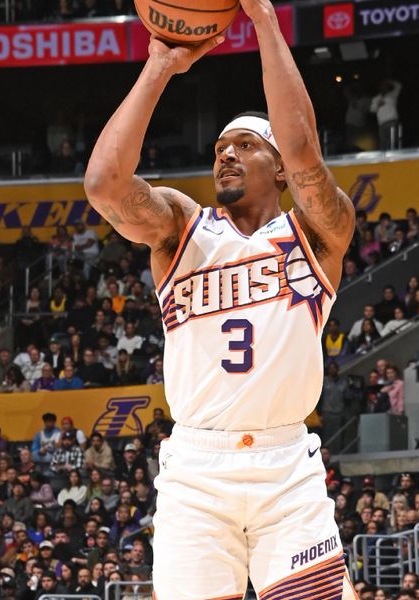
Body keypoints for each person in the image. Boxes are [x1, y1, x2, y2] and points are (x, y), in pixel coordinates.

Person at [84, 2, 357, 596]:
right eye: (218, 149)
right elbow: (104, 185)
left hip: (286, 468)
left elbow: (305, 148)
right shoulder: (182, 226)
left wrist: (263, 21)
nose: (225, 154)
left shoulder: (315, 231)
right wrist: (158, 65)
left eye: (244, 146)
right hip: (196, 472)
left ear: (279, 170)